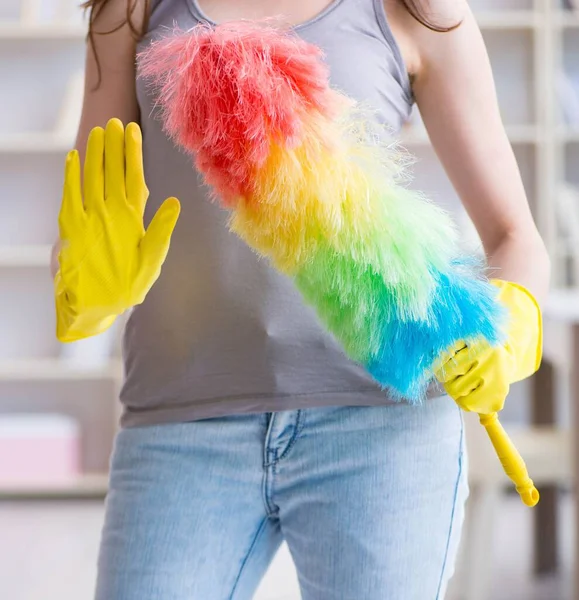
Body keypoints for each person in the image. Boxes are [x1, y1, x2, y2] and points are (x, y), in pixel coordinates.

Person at [50, 1, 550, 598]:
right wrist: (87, 293)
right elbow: (83, 223)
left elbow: (514, 235)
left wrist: (508, 329)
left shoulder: (416, 10)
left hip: (382, 429)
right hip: (182, 421)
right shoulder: (130, 11)